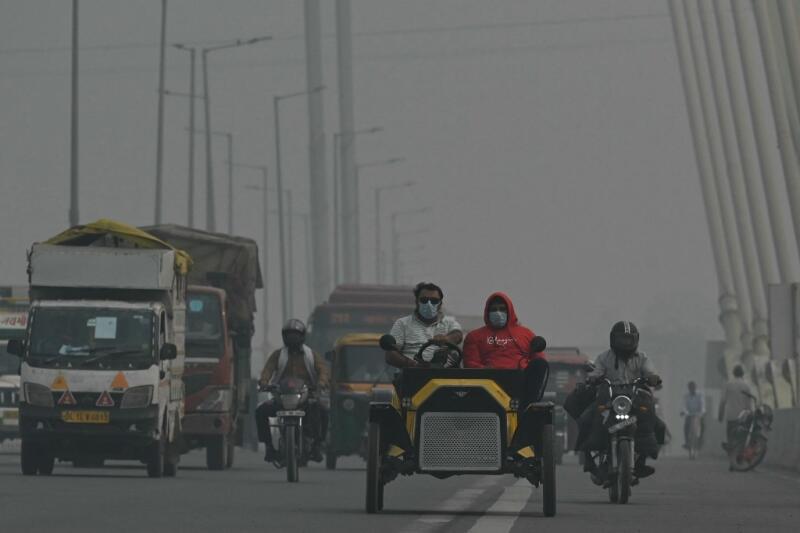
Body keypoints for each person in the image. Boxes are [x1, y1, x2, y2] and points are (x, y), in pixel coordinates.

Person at [579, 321, 662, 481]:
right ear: (613, 340)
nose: (625, 343)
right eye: (621, 340)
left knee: (654, 420)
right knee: (586, 419)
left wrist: (653, 378)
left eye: (628, 340)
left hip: (634, 399)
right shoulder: (604, 357)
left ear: (636, 340)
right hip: (609, 398)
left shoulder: (642, 358)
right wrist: (594, 378)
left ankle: (641, 461)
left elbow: (651, 372)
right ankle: (590, 462)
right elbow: (596, 371)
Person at [255, 319, 330, 463]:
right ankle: (269, 447)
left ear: (302, 336)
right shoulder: (278, 355)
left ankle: (317, 446)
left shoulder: (311, 355)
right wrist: (264, 382)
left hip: (306, 397)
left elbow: (323, 370)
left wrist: (321, 383)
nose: (292, 338)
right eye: (289, 335)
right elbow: (268, 370)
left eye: (296, 334)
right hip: (282, 397)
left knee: (323, 411)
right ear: (284, 336)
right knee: (260, 411)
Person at [462, 292, 549, 406]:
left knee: (540, 364)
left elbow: (539, 358)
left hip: (521, 383)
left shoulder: (526, 334)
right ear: (487, 312)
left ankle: (527, 408)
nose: (498, 313)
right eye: (494, 309)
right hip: (490, 383)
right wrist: (486, 370)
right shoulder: (474, 336)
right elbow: (470, 364)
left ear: (509, 311)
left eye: (502, 309)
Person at [384, 282, 463, 368]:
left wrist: (446, 339)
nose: (429, 304)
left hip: (443, 375)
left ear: (440, 304)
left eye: (434, 301)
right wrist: (414, 365)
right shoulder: (402, 324)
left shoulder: (449, 322)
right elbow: (390, 355)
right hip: (412, 376)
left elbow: (458, 335)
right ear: (417, 302)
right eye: (424, 300)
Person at [718, 364, 752, 471]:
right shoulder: (746, 386)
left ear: (733, 373)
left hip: (731, 417)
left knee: (731, 439)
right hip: (743, 417)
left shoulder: (728, 384)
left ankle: (732, 462)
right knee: (741, 440)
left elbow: (723, 401)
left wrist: (720, 414)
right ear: (742, 374)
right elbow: (748, 405)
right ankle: (738, 460)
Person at [682, 380, 705, 450]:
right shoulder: (686, 396)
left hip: (698, 414)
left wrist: (702, 412)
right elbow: (684, 406)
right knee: (686, 426)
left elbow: (702, 405)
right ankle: (687, 442)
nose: (692, 389)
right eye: (690, 388)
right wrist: (684, 412)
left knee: (703, 425)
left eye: (693, 387)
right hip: (689, 415)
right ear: (689, 388)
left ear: (695, 387)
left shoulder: (700, 395)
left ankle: (700, 441)